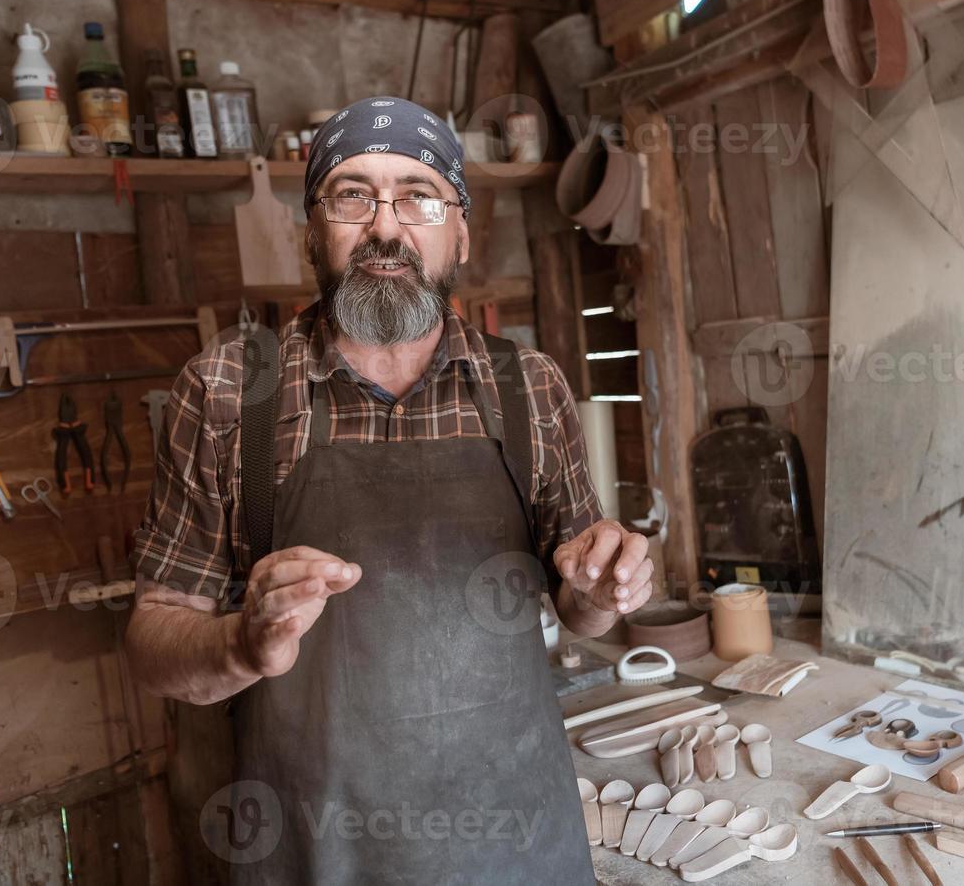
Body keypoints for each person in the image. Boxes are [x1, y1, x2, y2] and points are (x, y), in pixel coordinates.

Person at [125, 95, 654, 883]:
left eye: (418, 194)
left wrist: (606, 585)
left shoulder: (529, 386)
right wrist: (241, 643)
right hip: (315, 844)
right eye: (351, 194)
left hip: (515, 837)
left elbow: (581, 613)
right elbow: (153, 639)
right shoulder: (231, 389)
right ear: (311, 229)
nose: (385, 226)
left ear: (461, 230)